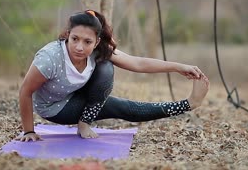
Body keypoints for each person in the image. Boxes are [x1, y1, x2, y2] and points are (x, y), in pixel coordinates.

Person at [16, 9, 210, 141]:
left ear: (97, 41)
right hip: (55, 108)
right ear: (67, 35)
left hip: (78, 95)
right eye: (74, 39)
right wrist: (29, 131)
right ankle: (188, 104)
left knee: (106, 68)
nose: (79, 47)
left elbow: (138, 63)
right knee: (122, 107)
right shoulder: (49, 58)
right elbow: (25, 91)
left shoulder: (99, 49)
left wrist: (178, 67)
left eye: (87, 41)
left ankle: (190, 103)